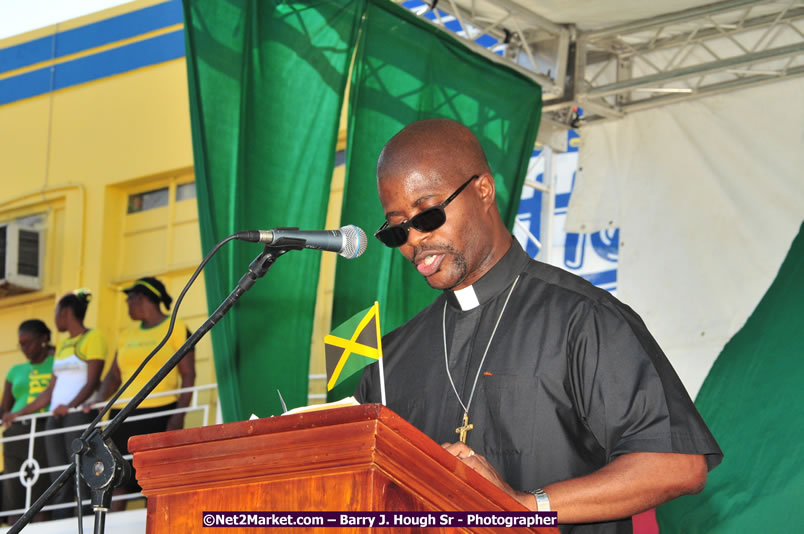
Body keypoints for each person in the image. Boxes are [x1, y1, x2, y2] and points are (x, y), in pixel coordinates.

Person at [355, 119, 723, 534]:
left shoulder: (584, 318)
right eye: (397, 228)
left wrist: (527, 506)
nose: (413, 240)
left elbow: (677, 464)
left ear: (483, 191)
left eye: (428, 215)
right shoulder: (389, 360)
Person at [91, 276, 195, 509]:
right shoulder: (127, 334)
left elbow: (188, 373)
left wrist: (179, 414)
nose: (127, 304)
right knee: (117, 475)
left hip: (159, 409)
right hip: (122, 412)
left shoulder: (176, 327)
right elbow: (113, 376)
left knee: (154, 474)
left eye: (130, 298)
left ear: (145, 298)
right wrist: (100, 399)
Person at [32, 290, 106, 518]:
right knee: (58, 472)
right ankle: (60, 519)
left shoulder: (94, 338)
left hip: (76, 414)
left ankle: (84, 516)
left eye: (56, 313)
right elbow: (50, 390)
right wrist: (19, 413)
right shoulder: (63, 345)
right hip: (57, 416)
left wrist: (70, 405)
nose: (55, 319)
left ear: (65, 312)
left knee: (81, 469)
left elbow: (92, 381)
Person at [1, 320, 54, 523]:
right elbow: (5, 407)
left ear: (43, 339)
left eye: (28, 342)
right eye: (20, 344)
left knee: (39, 491)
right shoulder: (15, 370)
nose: (24, 348)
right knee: (14, 492)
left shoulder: (56, 362)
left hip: (42, 429)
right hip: (15, 433)